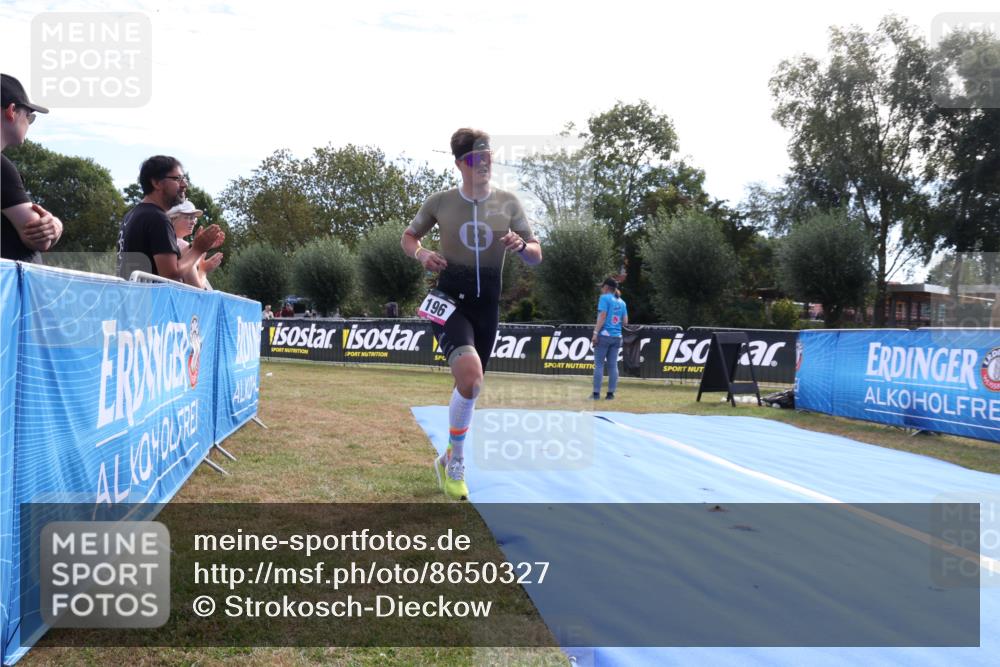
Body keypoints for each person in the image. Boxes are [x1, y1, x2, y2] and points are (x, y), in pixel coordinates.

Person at [401, 128, 542, 500]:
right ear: (462, 163)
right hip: (450, 302)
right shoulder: (440, 202)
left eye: (489, 155)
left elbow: (536, 254)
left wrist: (522, 246)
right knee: (471, 377)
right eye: (479, 157)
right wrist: (422, 255)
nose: (487, 162)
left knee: (469, 387)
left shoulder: (508, 203)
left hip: (487, 308)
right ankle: (458, 463)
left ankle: (446, 458)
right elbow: (408, 238)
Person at [117, 155, 223, 282]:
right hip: (152, 300)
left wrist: (195, 247)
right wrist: (197, 249)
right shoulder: (157, 218)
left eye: (184, 179)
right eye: (177, 179)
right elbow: (170, 274)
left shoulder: (131, 215)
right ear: (156, 183)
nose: (184, 184)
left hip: (133, 298)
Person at [1, 73, 62, 263]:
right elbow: (39, 238)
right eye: (29, 116)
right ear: (11, 111)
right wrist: (57, 225)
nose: (29, 123)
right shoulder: (2, 169)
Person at [166, 200, 222, 289]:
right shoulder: (183, 245)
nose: (193, 222)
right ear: (173, 218)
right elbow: (196, 288)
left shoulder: (166, 241)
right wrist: (204, 270)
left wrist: (204, 246)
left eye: (194, 218)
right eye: (188, 217)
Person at [591, 277, 628, 400]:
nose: (601, 289)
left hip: (604, 336)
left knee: (599, 365)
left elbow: (602, 316)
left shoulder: (604, 298)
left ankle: (596, 394)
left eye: (602, 286)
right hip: (617, 337)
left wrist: (595, 333)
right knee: (613, 366)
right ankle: (610, 394)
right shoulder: (622, 302)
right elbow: (625, 322)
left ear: (606, 288)